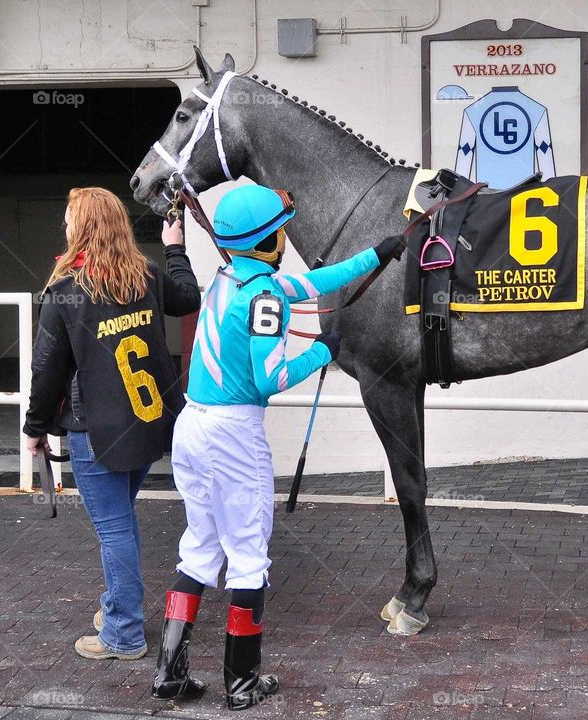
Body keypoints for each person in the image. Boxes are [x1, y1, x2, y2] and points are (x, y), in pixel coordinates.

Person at [151, 184, 402, 710]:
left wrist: (378, 253)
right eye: (281, 229)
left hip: (193, 428)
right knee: (247, 559)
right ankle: (241, 685)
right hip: (233, 436)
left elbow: (311, 283)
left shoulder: (229, 279)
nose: (286, 236)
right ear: (270, 240)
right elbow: (271, 377)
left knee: (199, 547)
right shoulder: (264, 296)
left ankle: (170, 676)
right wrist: (323, 351)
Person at [23, 187, 201, 660]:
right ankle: (116, 604)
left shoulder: (65, 292)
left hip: (95, 432)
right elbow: (189, 298)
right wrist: (176, 247)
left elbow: (47, 370)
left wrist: (34, 427)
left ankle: (122, 633)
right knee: (120, 521)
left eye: (68, 219)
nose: (64, 226)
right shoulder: (145, 277)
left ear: (80, 227)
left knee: (114, 528)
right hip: (148, 424)